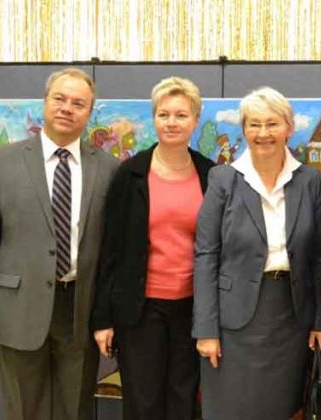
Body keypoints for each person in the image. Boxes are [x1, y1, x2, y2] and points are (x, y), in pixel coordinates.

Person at [0, 68, 119, 420]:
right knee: (24, 409)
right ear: (46, 103)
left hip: (79, 310)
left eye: (78, 103)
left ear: (89, 112)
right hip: (17, 309)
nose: (67, 108)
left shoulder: (109, 169)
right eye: (60, 99)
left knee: (76, 408)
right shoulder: (3, 161)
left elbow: (113, 250)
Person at [193, 87, 321, 420]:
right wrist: (206, 329)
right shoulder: (223, 178)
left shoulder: (308, 179)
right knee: (230, 407)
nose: (263, 133)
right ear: (244, 129)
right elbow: (206, 255)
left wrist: (320, 321)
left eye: (272, 124)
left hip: (290, 317)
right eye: (254, 124)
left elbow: (319, 256)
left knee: (281, 407)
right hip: (233, 322)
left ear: (289, 127)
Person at [91, 76, 214, 420]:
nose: (172, 122)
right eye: (164, 114)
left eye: (180, 114)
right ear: (154, 119)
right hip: (139, 309)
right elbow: (110, 250)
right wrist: (103, 319)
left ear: (195, 119)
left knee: (184, 400)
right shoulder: (130, 174)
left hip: (192, 308)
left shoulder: (211, 174)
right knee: (143, 402)